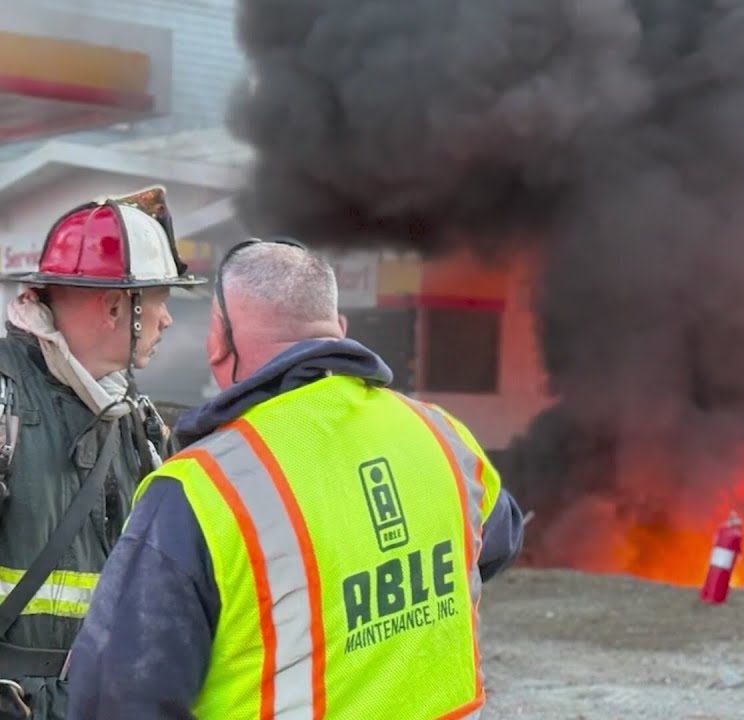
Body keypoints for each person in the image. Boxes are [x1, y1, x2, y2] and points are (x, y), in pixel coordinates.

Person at [66, 238, 525, 719]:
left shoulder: (201, 490)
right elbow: (496, 542)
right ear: (339, 330)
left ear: (219, 340)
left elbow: (115, 695)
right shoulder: (439, 433)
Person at [0, 187, 205, 720]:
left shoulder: (136, 420)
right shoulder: (6, 406)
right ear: (117, 306)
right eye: (159, 300)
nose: (168, 320)